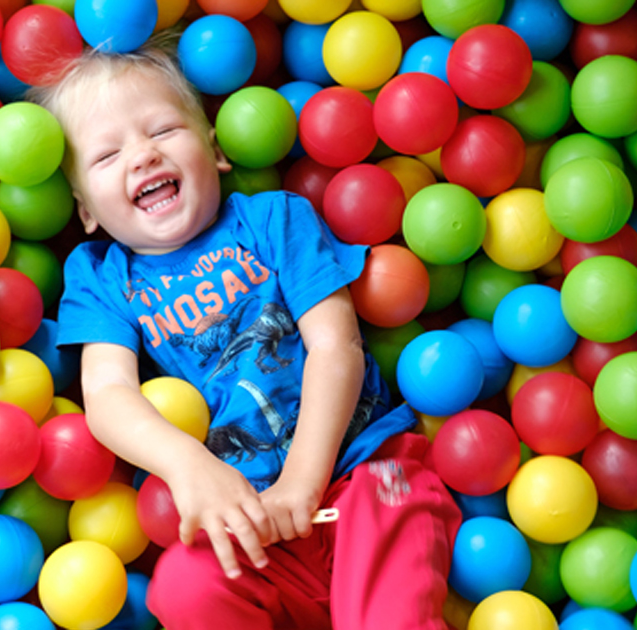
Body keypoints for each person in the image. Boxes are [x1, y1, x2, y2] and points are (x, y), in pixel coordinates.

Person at [29, 39, 462, 630]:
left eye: (162, 131)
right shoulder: (100, 278)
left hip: (363, 474)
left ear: (215, 150)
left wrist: (303, 483)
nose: (142, 157)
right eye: (106, 157)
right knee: (184, 588)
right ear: (86, 211)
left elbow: (337, 346)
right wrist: (189, 468)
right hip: (245, 522)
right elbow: (107, 396)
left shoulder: (274, 219)